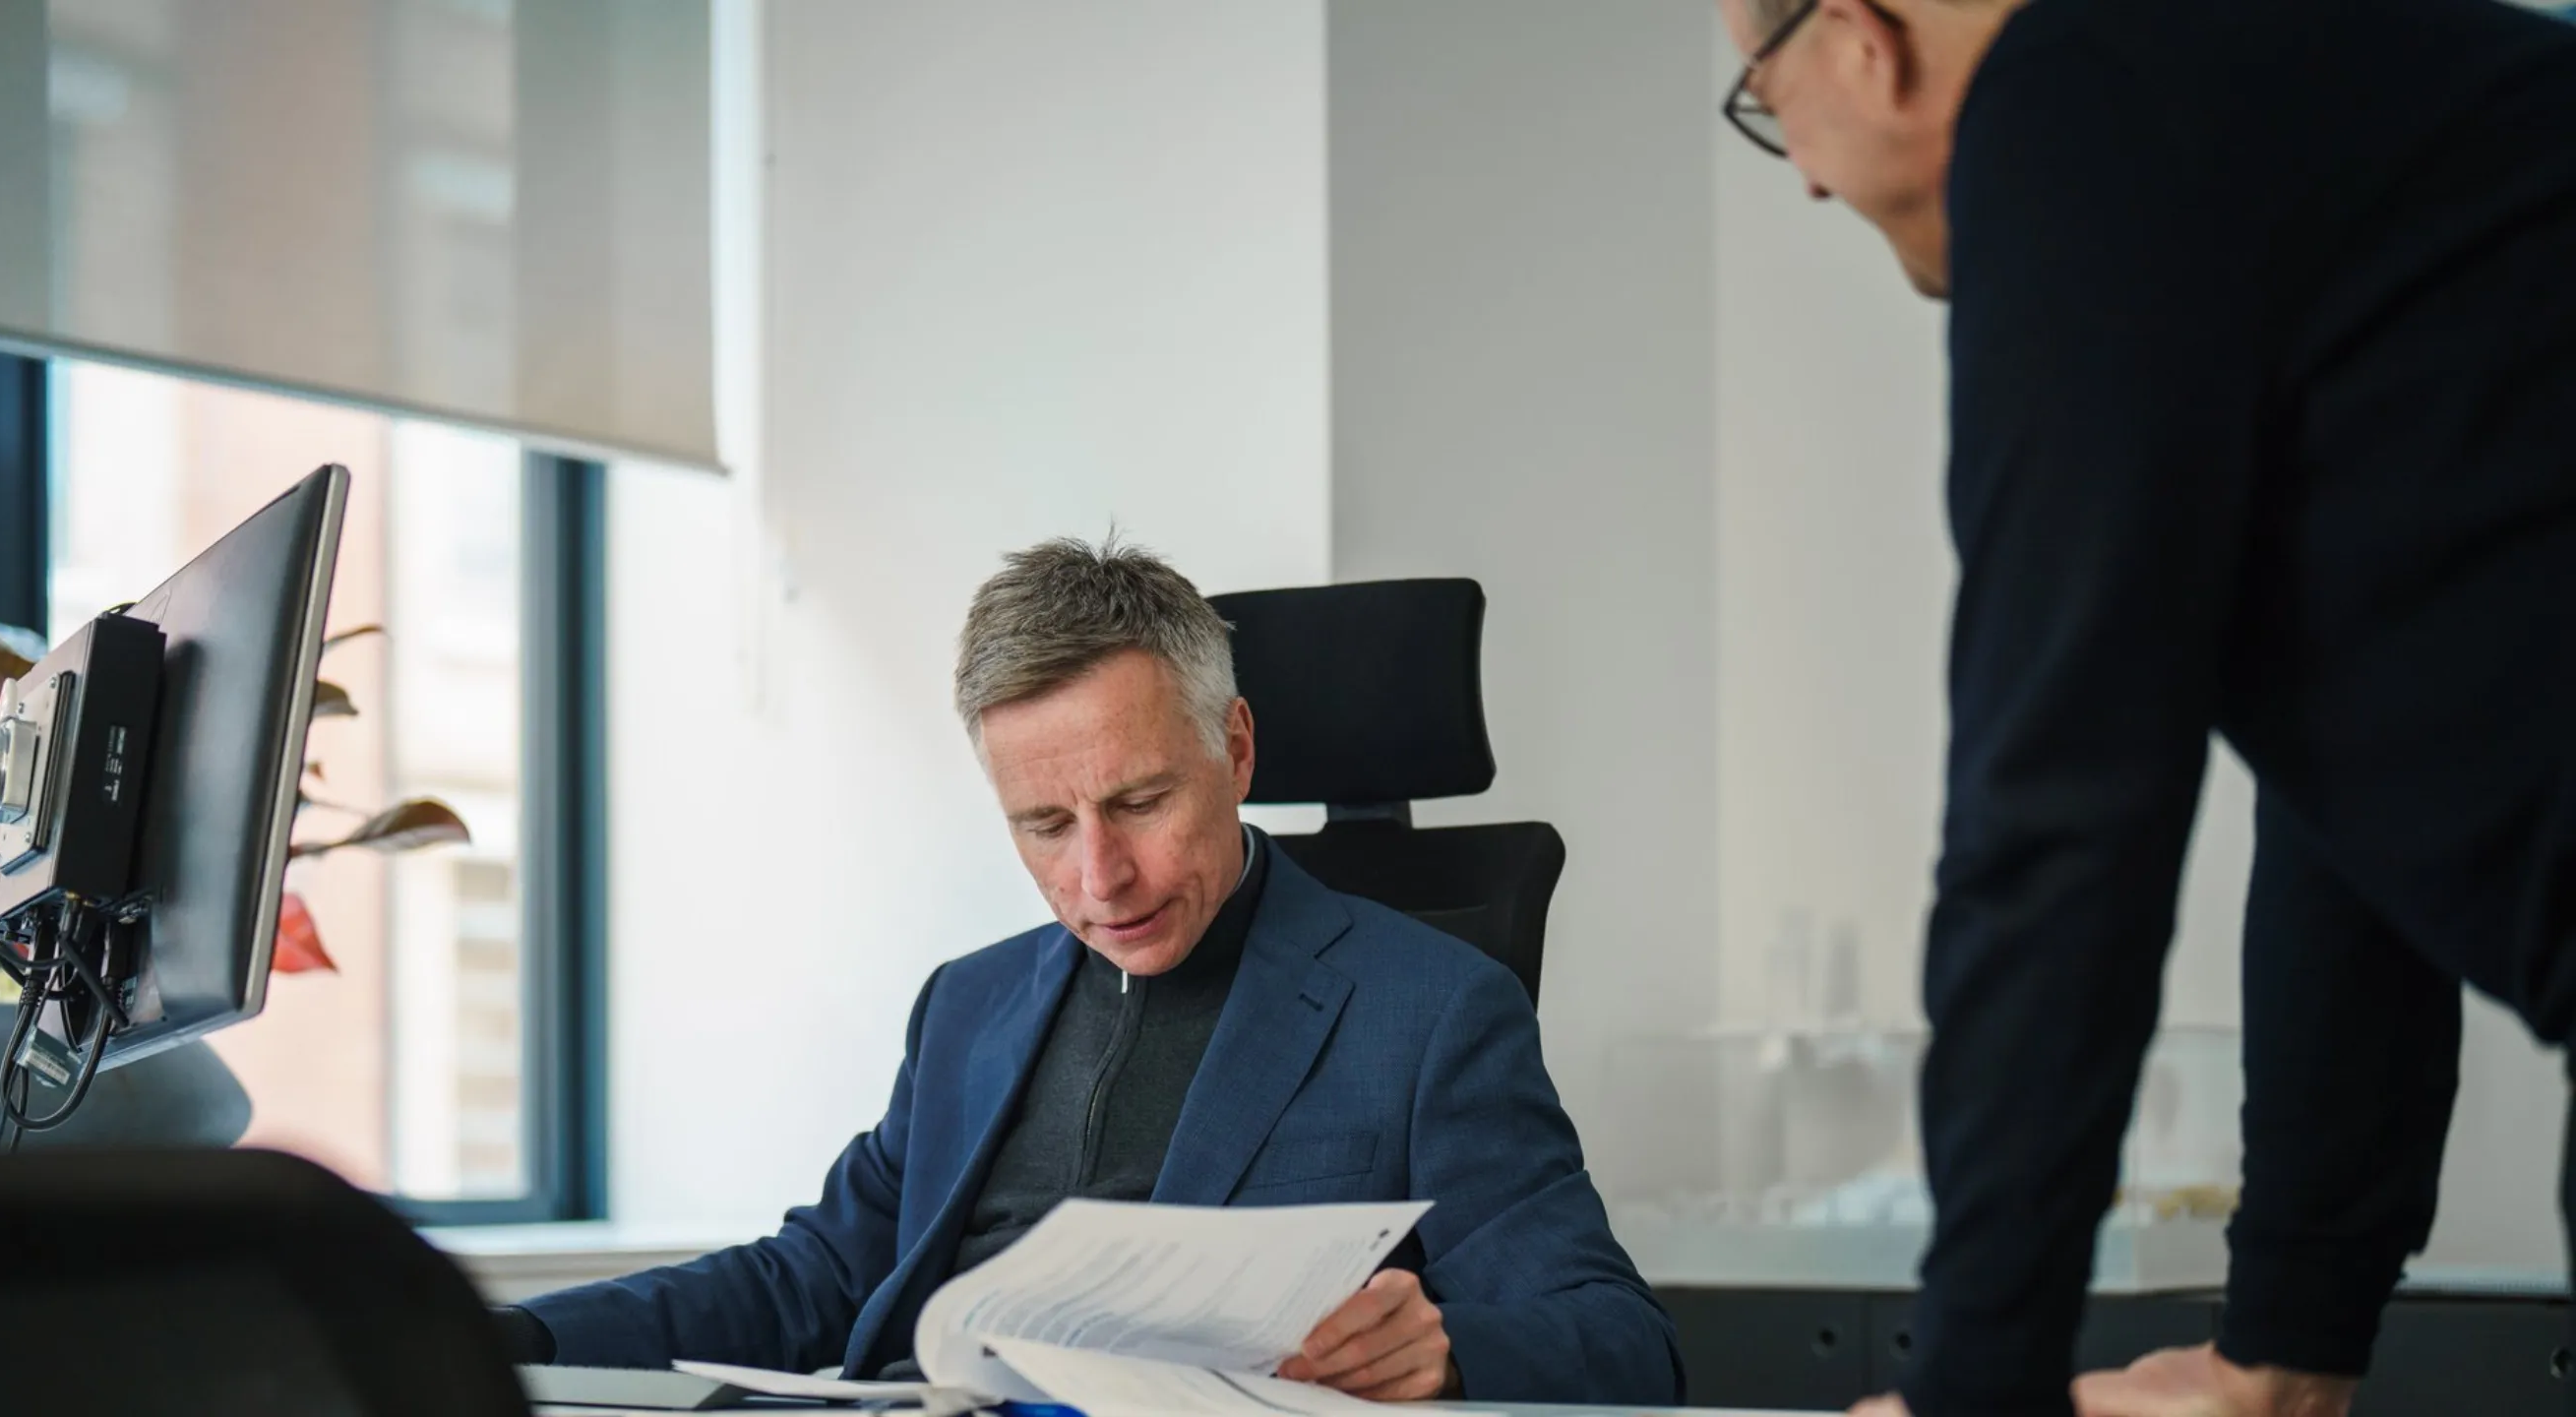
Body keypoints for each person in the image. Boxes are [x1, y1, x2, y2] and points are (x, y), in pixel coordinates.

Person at [1714, 0, 2576, 1413]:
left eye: (1767, 100)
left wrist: (1978, 1385)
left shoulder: (2071, 106)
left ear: (1864, 37)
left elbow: (2054, 820)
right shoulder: (2293, 93)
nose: (1803, 172)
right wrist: (2291, 1346)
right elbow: (2347, 810)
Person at [495, 537, 1684, 1405]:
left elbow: (1624, 1343)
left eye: (1139, 802)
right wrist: (500, 1343)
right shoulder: (967, 1005)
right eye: (1044, 826)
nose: (1099, 879)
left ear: (1236, 749)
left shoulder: (1428, 1009)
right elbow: (816, 1275)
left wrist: (1451, 1347)